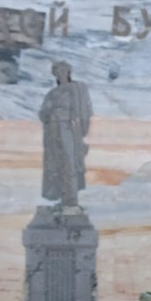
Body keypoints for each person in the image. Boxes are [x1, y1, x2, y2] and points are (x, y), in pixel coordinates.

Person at [38, 60, 93, 210]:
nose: (60, 74)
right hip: (52, 131)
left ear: (68, 72)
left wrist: (81, 129)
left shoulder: (76, 88)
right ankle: (63, 199)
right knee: (56, 165)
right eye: (57, 72)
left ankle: (71, 201)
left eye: (63, 71)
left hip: (68, 128)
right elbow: (43, 113)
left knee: (70, 163)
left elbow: (85, 109)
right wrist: (48, 113)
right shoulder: (52, 93)